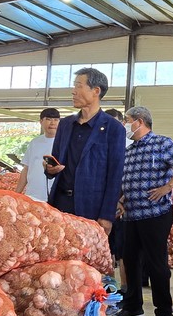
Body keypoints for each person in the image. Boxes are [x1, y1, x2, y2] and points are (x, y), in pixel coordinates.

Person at [116, 106, 173, 316]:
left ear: (140, 121)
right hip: (131, 215)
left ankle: (163, 312)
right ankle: (133, 306)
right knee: (130, 260)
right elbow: (126, 179)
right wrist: (120, 198)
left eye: (127, 120)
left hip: (155, 214)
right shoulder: (129, 150)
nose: (125, 125)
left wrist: (169, 186)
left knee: (155, 263)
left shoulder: (161, 143)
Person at [46, 67, 127, 232]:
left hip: (92, 208)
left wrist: (106, 215)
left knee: (87, 256)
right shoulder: (66, 124)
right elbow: (55, 160)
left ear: (96, 91)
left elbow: (115, 175)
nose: (73, 91)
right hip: (60, 203)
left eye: (78, 86)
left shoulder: (114, 128)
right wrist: (50, 169)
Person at [16, 109, 60, 204]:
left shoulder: (65, 143)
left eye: (56, 120)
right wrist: (16, 194)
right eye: (48, 119)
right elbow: (26, 169)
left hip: (56, 197)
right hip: (33, 195)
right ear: (41, 121)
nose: (52, 123)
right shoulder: (35, 142)